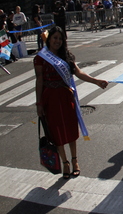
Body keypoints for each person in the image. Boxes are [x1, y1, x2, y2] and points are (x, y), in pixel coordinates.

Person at [35, 26, 109, 179]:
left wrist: (96, 81)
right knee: (56, 131)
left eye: (60, 39)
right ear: (49, 39)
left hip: (65, 96)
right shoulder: (40, 58)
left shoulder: (66, 56)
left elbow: (78, 72)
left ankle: (75, 160)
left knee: (70, 128)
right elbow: (39, 80)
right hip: (50, 98)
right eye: (55, 38)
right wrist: (39, 104)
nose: (57, 41)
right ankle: (65, 162)